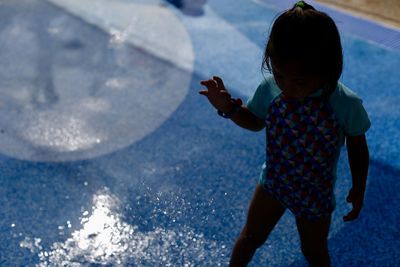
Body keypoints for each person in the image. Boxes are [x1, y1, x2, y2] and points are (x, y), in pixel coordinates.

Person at [199, 1, 371, 266]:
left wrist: (359, 187)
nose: (288, 87)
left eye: (300, 81)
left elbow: (358, 148)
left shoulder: (345, 103)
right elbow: (255, 121)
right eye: (279, 74)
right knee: (250, 237)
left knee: (314, 252)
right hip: (273, 183)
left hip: (315, 194)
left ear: (328, 69)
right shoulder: (270, 88)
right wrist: (228, 108)